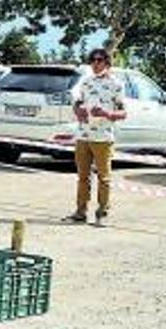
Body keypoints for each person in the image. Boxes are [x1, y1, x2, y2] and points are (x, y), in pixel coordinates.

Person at [70, 48, 127, 224]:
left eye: (99, 60)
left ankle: (102, 212)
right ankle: (80, 211)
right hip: (83, 136)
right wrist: (78, 110)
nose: (95, 63)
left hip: (103, 138)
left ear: (107, 62)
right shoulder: (86, 82)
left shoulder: (116, 85)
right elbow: (78, 102)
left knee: (104, 177)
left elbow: (123, 113)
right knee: (82, 177)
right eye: (93, 60)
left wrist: (106, 114)